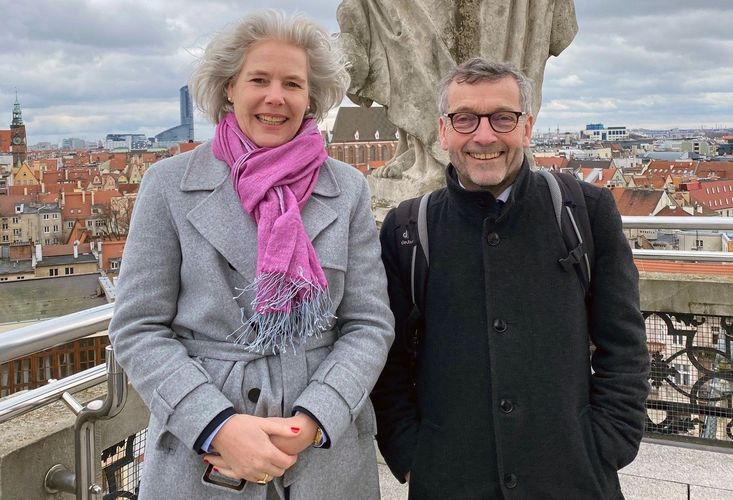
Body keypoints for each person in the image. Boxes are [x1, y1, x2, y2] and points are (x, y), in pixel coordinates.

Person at [108, 10, 393, 499]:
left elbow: (368, 324)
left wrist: (315, 418)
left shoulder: (347, 189)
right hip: (205, 453)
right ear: (228, 89)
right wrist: (216, 425)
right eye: (258, 79)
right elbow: (137, 328)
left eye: (293, 84)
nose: (275, 97)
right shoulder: (170, 185)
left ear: (311, 99)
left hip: (324, 458)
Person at [372, 58, 650, 499]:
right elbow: (388, 357)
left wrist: (607, 444)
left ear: (526, 127)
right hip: (450, 480)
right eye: (465, 119)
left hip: (573, 478)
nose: (484, 136)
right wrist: (410, 453)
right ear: (444, 132)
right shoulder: (407, 229)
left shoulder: (585, 212)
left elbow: (625, 342)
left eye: (503, 117)